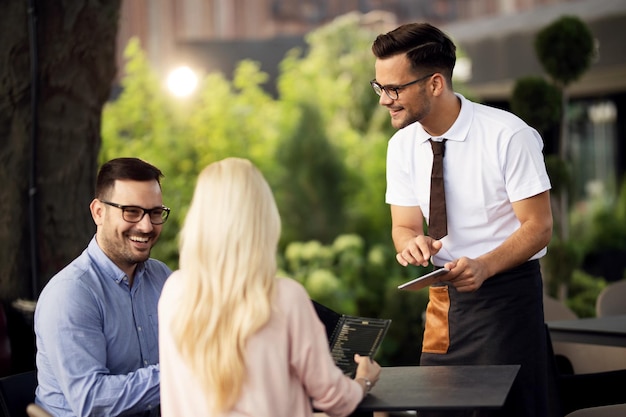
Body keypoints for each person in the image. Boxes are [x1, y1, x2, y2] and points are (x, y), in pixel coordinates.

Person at [371, 23, 553, 417]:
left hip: (507, 302)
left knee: (508, 412)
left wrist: (485, 265)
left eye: (395, 88)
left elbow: (539, 227)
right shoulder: (401, 146)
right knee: (437, 411)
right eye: (380, 87)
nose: (385, 100)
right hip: (442, 306)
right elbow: (403, 227)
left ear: (435, 83)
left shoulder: (508, 135)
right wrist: (410, 244)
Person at [158, 157, 381, 417]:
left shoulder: (174, 291)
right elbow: (334, 399)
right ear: (261, 218)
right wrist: (363, 381)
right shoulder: (285, 298)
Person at [34, 157, 173, 417]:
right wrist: (182, 373)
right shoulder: (70, 294)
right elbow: (93, 401)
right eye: (131, 211)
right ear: (98, 212)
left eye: (155, 213)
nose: (146, 226)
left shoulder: (162, 277)